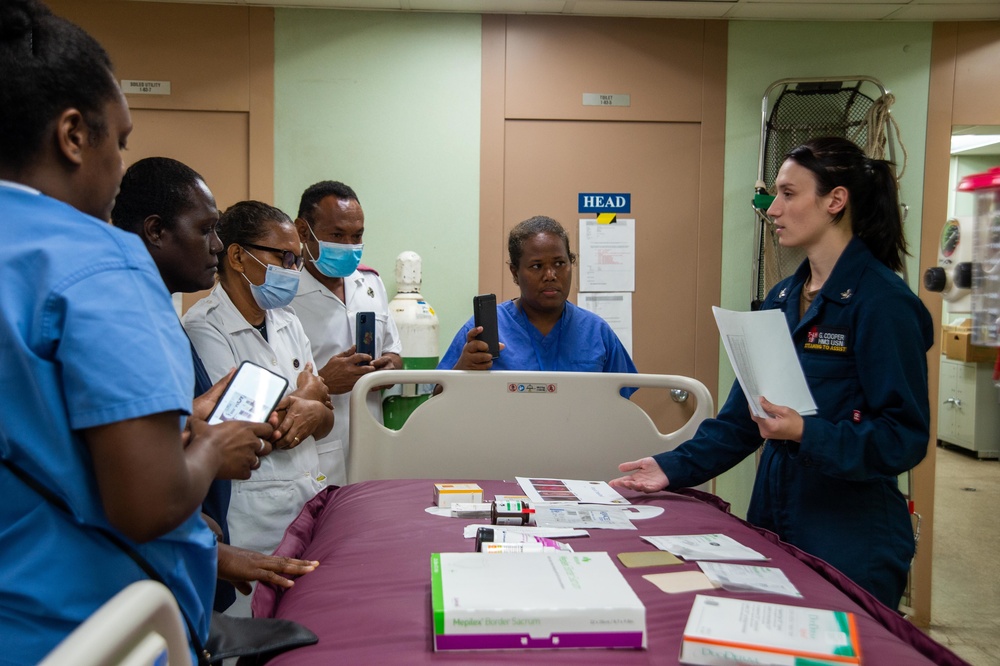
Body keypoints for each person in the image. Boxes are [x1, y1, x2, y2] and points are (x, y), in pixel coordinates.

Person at [0, 1, 271, 661]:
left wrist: (182, 420)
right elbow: (149, 503)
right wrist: (213, 447)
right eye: (118, 143)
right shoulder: (95, 260)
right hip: (85, 626)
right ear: (72, 135)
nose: (120, 170)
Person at [612, 137, 933, 609]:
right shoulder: (784, 296)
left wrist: (807, 432)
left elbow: (903, 438)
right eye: (773, 195)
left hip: (850, 534)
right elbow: (743, 420)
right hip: (776, 516)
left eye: (787, 193)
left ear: (835, 201)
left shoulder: (883, 304)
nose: (773, 209)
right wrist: (670, 467)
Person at [111, 157, 319, 613]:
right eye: (206, 229)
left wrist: (194, 416)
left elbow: (315, 409)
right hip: (168, 542)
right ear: (156, 231)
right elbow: (122, 469)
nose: (217, 243)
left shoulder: (159, 317)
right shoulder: (135, 322)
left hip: (196, 529)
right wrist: (206, 440)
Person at [183, 200, 334, 615]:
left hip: (306, 500)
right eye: (283, 258)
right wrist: (307, 400)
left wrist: (314, 408)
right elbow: (240, 428)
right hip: (250, 518)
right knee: (250, 635)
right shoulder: (204, 326)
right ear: (237, 256)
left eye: (297, 261)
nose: (292, 271)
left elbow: (324, 419)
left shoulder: (288, 321)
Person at [439, 215, 637, 396]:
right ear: (515, 272)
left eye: (559, 263)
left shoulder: (596, 331)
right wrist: (461, 370)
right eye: (536, 266)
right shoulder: (485, 329)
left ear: (571, 263)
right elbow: (437, 402)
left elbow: (621, 405)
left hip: (579, 435)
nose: (550, 275)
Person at [292, 181, 402, 486]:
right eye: (337, 235)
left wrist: (388, 368)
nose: (349, 245)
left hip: (372, 444)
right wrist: (325, 381)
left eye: (357, 236)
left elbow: (394, 351)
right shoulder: (283, 297)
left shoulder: (370, 284)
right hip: (314, 454)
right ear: (303, 231)